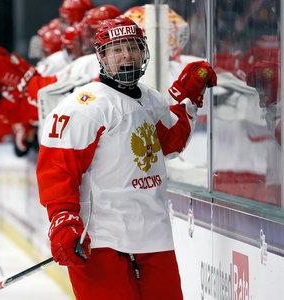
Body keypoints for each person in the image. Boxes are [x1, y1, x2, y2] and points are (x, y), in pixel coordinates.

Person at [36, 16, 216, 300]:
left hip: (153, 235)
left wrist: (188, 97)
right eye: (117, 49)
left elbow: (170, 143)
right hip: (101, 240)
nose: (126, 55)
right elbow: (57, 169)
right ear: (102, 57)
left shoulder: (151, 99)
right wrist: (62, 217)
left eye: (132, 47)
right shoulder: (83, 107)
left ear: (143, 51)